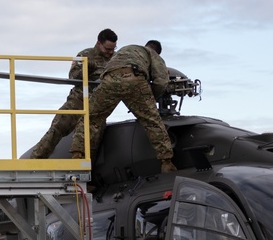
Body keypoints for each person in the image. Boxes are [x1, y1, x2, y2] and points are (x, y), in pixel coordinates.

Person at [69, 39, 176, 172]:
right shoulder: (153, 54)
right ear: (157, 51)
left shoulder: (126, 49)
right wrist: (152, 97)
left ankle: (77, 154)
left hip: (109, 79)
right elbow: (161, 81)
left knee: (90, 117)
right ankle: (166, 162)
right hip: (134, 78)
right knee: (152, 121)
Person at [29, 29, 117, 158]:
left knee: (93, 140)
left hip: (98, 106)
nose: (110, 53)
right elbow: (73, 76)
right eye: (107, 49)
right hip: (78, 101)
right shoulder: (85, 55)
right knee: (58, 127)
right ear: (99, 43)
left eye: (113, 49)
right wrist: (87, 68)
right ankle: (35, 160)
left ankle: (84, 168)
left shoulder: (115, 59)